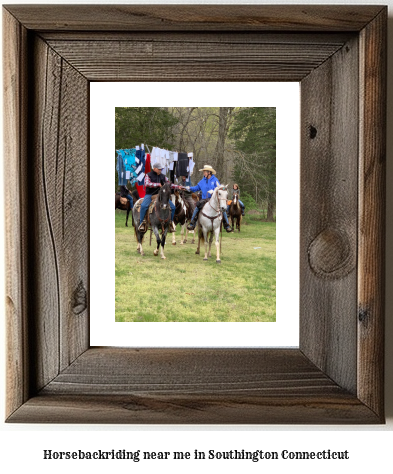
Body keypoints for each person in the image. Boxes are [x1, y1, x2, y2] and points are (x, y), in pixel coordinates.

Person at [138, 163, 185, 232]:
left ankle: (170, 223)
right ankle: (142, 223)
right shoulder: (148, 175)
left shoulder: (163, 176)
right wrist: (157, 184)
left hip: (161, 196)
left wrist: (178, 187)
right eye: (159, 169)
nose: (160, 170)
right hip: (150, 194)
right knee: (143, 206)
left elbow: (169, 184)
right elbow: (147, 183)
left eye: (161, 169)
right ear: (154, 168)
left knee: (173, 207)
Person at [186, 165, 233, 232]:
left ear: (209, 172)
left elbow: (219, 189)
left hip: (213, 200)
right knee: (197, 207)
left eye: (204, 172)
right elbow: (196, 188)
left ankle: (227, 225)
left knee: (223, 210)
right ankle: (192, 223)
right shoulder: (202, 181)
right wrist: (189, 188)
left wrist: (213, 191)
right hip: (204, 199)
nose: (203, 173)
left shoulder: (215, 180)